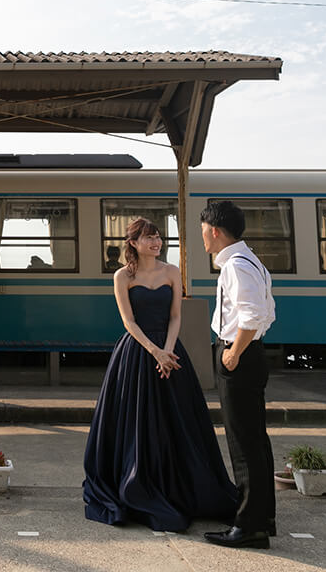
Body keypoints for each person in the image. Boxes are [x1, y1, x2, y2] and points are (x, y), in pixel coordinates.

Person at [83, 218, 238, 531]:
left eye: (157, 237)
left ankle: (181, 486)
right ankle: (136, 483)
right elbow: (128, 322)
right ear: (134, 243)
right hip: (137, 352)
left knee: (178, 421)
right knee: (135, 421)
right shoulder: (122, 276)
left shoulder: (171, 271)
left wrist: (168, 351)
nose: (156, 242)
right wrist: (155, 352)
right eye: (148, 238)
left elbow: (176, 316)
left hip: (169, 351)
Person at [201, 200, 277, 549]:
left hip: (239, 355)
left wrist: (232, 352)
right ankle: (262, 518)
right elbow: (268, 313)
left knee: (243, 445)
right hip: (250, 354)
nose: (202, 236)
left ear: (215, 230)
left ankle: (248, 526)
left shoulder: (235, 265)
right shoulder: (251, 261)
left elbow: (252, 313)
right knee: (255, 441)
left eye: (203, 229)